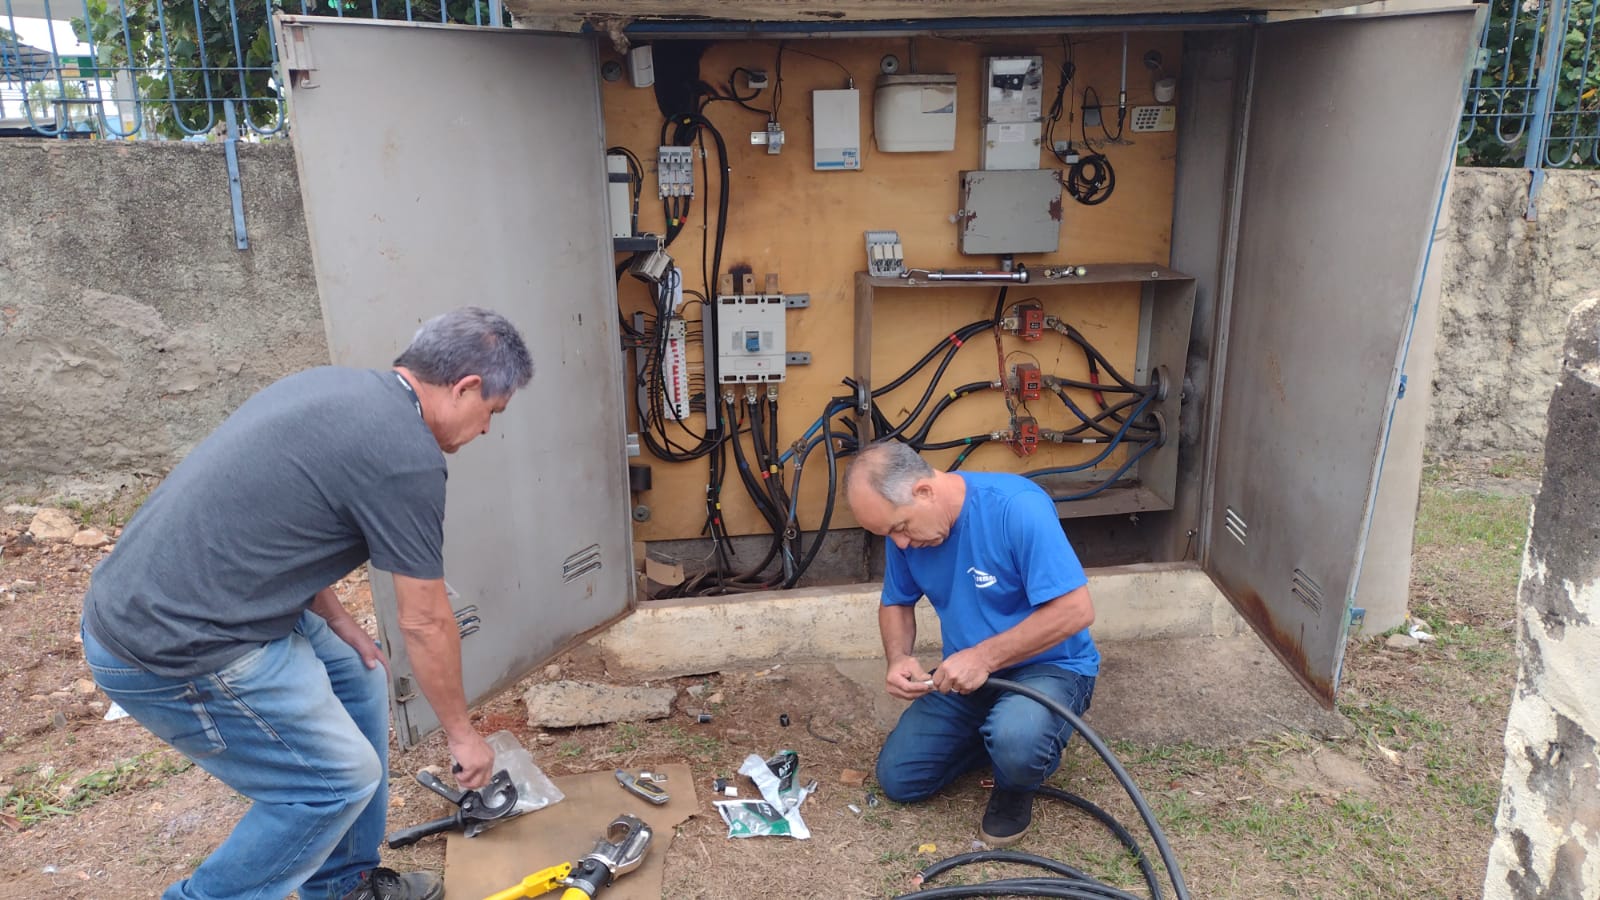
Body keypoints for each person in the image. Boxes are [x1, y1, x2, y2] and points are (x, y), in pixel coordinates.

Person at [80, 307, 533, 900]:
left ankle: (344, 884)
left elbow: (275, 518)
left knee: (360, 677)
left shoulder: (332, 387)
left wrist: (337, 615)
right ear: (466, 387)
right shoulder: (407, 458)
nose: (486, 431)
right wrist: (461, 735)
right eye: (490, 414)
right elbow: (423, 620)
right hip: (173, 644)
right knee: (337, 782)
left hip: (181, 602)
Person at [844, 440, 1099, 847]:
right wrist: (899, 657)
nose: (901, 544)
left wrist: (983, 657)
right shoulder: (907, 537)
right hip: (966, 676)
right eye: (888, 534)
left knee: (1018, 739)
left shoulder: (1016, 507)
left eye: (900, 527)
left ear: (924, 491)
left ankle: (1017, 777)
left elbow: (1076, 611)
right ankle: (1007, 735)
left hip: (1053, 667)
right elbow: (895, 602)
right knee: (900, 778)